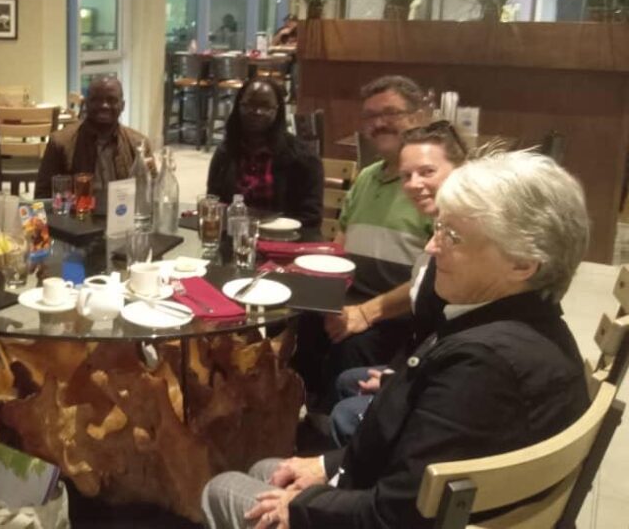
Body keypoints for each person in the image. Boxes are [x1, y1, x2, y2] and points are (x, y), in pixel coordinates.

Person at [202, 150, 591, 529]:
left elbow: (395, 515)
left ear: (522, 263)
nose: (431, 247)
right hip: (410, 496)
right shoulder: (534, 327)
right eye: (438, 227)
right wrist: (327, 466)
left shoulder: (482, 367)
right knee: (266, 469)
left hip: (398, 514)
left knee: (221, 488)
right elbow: (418, 469)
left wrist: (302, 508)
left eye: (452, 235)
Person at [292, 75, 433, 410]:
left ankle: (334, 433)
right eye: (370, 116)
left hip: (401, 312)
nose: (379, 123)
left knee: (351, 345)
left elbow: (431, 282)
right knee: (299, 322)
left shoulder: (429, 188)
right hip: (354, 295)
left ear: (418, 117)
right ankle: (301, 407)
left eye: (391, 113)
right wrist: (323, 295)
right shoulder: (368, 177)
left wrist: (365, 313)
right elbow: (341, 244)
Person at [325, 121, 467, 445]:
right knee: (346, 375)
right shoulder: (444, 226)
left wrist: (406, 380)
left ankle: (346, 474)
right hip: (431, 356)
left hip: (450, 382)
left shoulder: (469, 242)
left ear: (461, 170)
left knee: (347, 406)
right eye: (406, 176)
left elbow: (455, 332)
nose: (414, 184)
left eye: (427, 172)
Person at [206, 78, 323, 238]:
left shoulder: (302, 158)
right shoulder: (225, 153)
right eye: (249, 105)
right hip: (232, 240)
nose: (257, 112)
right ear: (238, 107)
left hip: (283, 242)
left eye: (266, 106)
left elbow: (310, 220)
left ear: (278, 110)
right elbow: (213, 202)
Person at [34, 76, 152, 200]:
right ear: (85, 104)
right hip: (77, 217)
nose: (104, 105)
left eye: (111, 100)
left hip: (124, 216)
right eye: (96, 100)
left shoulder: (139, 144)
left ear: (122, 105)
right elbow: (41, 198)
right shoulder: (59, 143)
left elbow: (151, 192)